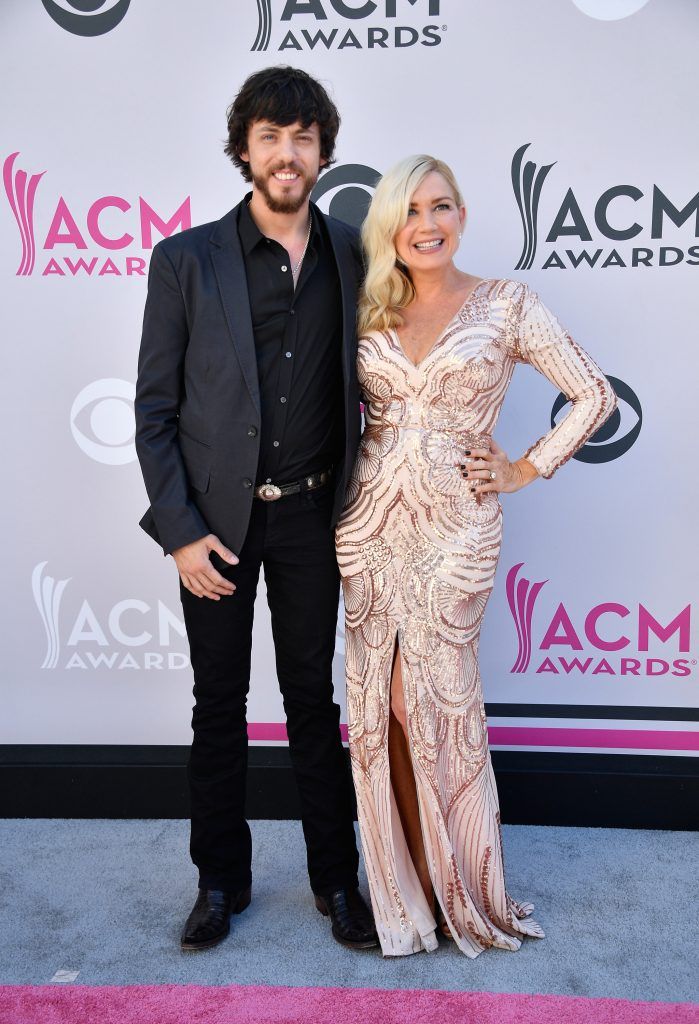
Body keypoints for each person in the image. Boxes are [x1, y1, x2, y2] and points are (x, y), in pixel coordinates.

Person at [335, 154, 616, 957]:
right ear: (388, 224)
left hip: (457, 525)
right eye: (411, 210)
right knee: (376, 708)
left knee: (438, 702)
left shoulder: (506, 304)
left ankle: (461, 885)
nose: (427, 224)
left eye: (442, 206)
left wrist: (525, 466)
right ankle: (401, 891)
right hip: (365, 524)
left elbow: (592, 393)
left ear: (461, 216)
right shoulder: (364, 308)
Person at [135, 67, 376, 952]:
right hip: (215, 527)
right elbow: (154, 411)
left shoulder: (356, 254)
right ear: (244, 148)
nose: (288, 153)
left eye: (304, 137)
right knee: (217, 704)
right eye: (271, 136)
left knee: (315, 701)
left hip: (315, 517)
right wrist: (180, 533)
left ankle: (335, 883)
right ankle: (218, 882)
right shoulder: (186, 259)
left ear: (322, 152)